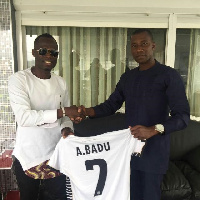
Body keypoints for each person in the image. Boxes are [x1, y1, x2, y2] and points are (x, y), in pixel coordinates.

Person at [77, 29, 190, 200]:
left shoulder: (168, 75)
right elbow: (110, 105)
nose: (139, 49)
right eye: (134, 45)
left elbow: (182, 117)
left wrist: (154, 129)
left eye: (144, 44)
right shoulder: (127, 78)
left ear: (153, 46)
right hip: (127, 151)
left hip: (154, 153)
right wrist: (85, 112)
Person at [8, 33, 82, 200]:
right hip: (28, 156)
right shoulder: (19, 80)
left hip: (56, 156)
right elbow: (24, 118)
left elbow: (65, 118)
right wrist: (62, 112)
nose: (49, 56)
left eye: (54, 52)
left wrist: (67, 129)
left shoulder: (60, 82)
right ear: (34, 53)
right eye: (43, 51)